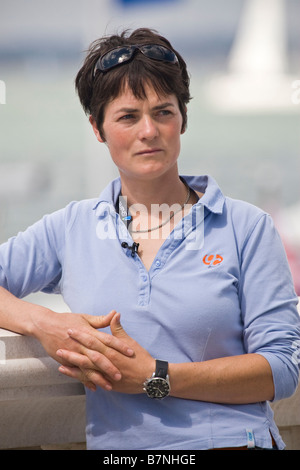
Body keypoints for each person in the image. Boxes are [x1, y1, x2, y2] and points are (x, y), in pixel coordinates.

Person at [0, 27, 299, 451]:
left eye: (163, 112)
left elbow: (282, 369)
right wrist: (48, 324)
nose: (149, 131)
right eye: (127, 116)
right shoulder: (70, 227)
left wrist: (155, 377)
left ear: (183, 119)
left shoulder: (246, 227)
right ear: (97, 128)